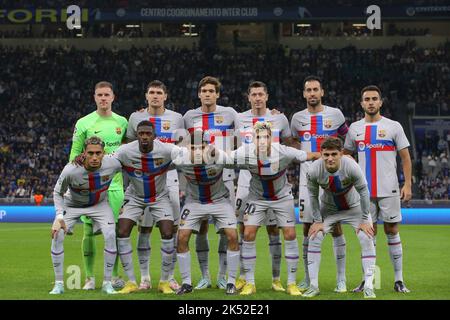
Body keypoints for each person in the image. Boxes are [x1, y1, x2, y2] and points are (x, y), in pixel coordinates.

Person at [231, 121, 320, 296]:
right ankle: (250, 283)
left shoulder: (284, 151)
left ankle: (291, 283)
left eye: (265, 137)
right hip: (256, 199)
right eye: (258, 137)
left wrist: (330, 155)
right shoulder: (245, 153)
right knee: (248, 234)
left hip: (282, 199)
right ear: (253, 139)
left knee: (290, 234)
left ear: (271, 138)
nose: (262, 140)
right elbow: (225, 157)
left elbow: (308, 155)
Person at [344, 85, 412, 293]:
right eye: (367, 99)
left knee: (392, 230)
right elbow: (346, 155)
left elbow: (405, 157)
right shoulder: (354, 128)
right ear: (362, 103)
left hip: (389, 189)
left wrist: (407, 184)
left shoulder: (394, 126)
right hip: (363, 192)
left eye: (374, 98)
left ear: (381, 102)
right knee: (367, 236)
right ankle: (368, 280)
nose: (371, 102)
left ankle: (399, 280)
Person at [290, 75, 350, 293]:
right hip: (308, 182)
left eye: (316, 89)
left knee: (336, 226)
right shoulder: (297, 118)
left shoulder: (335, 114)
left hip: (334, 181)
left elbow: (347, 139)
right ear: (304, 93)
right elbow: (293, 142)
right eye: (308, 90)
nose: (312, 93)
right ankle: (307, 277)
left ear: (322, 92)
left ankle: (341, 279)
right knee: (307, 228)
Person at [234, 81, 294, 292]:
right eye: (254, 94)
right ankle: (243, 275)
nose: (258, 98)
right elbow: (233, 146)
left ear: (267, 97)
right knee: (244, 228)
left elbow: (288, 144)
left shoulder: (279, 118)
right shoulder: (238, 118)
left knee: (273, 230)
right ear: (248, 97)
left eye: (261, 94)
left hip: (274, 181)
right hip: (245, 179)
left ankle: (276, 278)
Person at [126, 80, 184, 291]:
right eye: (151, 92)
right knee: (145, 228)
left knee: (172, 229)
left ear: (165, 96)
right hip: (143, 180)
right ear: (146, 95)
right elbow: (129, 148)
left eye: (159, 93)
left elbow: (183, 150)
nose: (155, 96)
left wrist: (183, 182)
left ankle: (169, 277)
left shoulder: (178, 118)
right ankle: (144, 277)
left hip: (170, 177)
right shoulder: (135, 118)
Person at [69, 81, 128, 290]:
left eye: (107, 95)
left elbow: (128, 152)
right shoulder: (84, 123)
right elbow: (74, 155)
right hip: (91, 186)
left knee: (114, 232)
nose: (103, 98)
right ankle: (89, 277)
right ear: (94, 97)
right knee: (88, 230)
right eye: (99, 95)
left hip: (115, 186)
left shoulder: (122, 122)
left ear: (113, 97)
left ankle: (112, 276)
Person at [183, 76, 238, 290]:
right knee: (201, 227)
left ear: (217, 94)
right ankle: (205, 276)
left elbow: (243, 134)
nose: (207, 94)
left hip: (224, 175)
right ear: (199, 94)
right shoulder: (188, 117)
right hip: (196, 177)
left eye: (211, 91)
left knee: (226, 229)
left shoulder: (230, 113)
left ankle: (223, 276)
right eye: (203, 91)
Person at [113, 120, 180, 295]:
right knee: (122, 230)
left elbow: (187, 155)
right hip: (134, 197)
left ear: (154, 136)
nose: (144, 136)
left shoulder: (166, 149)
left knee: (167, 232)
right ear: (136, 135)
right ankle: (131, 281)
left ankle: (164, 282)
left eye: (147, 133)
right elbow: (107, 163)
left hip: (159, 197)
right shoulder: (125, 151)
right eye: (141, 133)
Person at [305, 137, 376, 299]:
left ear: (341, 154)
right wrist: (317, 221)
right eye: (326, 154)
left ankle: (369, 287)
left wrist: (365, 219)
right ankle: (313, 286)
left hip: (354, 208)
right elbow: (312, 195)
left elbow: (364, 192)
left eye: (334, 154)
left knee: (367, 238)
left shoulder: (351, 166)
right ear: (321, 154)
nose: (330, 158)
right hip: (329, 209)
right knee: (314, 237)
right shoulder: (314, 170)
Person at [49, 136, 122, 295]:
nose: (94, 157)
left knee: (111, 235)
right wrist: (59, 217)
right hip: (72, 205)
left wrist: (128, 198)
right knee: (57, 235)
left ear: (104, 153)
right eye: (90, 153)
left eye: (98, 153)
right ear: (84, 153)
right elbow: (57, 192)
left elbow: (132, 171)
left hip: (100, 205)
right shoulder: (71, 169)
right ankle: (59, 284)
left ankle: (107, 284)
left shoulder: (113, 163)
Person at [173, 131, 240, 295]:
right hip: (194, 202)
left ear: (208, 147)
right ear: (188, 148)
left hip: (220, 201)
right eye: (193, 148)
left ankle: (229, 281)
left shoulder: (219, 158)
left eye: (201, 147)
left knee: (232, 235)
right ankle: (187, 283)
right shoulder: (180, 160)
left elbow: (239, 158)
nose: (197, 151)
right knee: (181, 237)